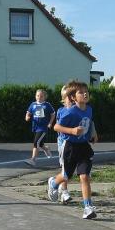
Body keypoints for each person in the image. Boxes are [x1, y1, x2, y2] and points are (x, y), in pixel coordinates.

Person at [47, 80, 98, 219]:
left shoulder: (89, 109)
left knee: (84, 176)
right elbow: (56, 127)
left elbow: (89, 122)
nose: (85, 94)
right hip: (70, 146)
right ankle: (53, 183)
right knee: (66, 176)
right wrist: (73, 131)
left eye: (86, 91)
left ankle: (88, 207)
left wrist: (93, 133)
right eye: (81, 92)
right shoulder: (70, 112)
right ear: (73, 97)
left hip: (84, 147)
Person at [24, 89, 56, 166]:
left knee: (36, 142)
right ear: (35, 96)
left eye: (41, 96)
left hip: (43, 127)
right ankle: (46, 148)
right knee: (40, 143)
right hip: (35, 126)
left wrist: (50, 123)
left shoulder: (47, 105)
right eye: (37, 96)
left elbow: (53, 114)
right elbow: (28, 113)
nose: (39, 97)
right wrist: (27, 117)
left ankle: (33, 159)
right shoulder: (33, 104)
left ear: (45, 97)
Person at [55, 85, 73, 204]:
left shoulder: (78, 110)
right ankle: (64, 191)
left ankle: (59, 186)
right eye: (68, 98)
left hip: (75, 143)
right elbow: (58, 127)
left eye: (72, 97)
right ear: (63, 99)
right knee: (65, 167)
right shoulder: (61, 111)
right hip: (63, 142)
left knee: (70, 169)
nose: (71, 100)